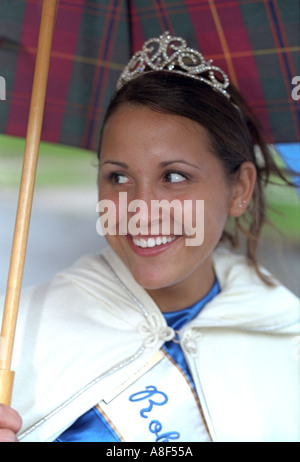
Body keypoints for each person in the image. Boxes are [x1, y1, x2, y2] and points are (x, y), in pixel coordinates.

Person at [0, 32, 299, 443]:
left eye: (174, 176)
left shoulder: (285, 336)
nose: (139, 210)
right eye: (118, 177)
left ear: (240, 189)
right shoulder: (16, 333)